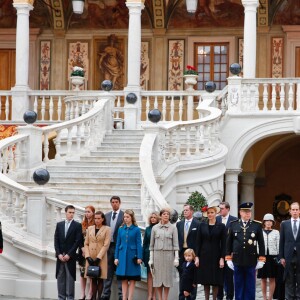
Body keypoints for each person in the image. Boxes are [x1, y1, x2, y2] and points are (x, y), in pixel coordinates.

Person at [225, 202, 266, 300]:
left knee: (250, 285)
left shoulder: (256, 225)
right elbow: (229, 242)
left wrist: (261, 258)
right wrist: (228, 258)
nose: (248, 213)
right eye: (245, 211)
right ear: (240, 212)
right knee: (238, 284)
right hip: (237, 259)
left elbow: (261, 243)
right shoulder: (233, 224)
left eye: (249, 212)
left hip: (251, 259)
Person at [195, 205, 226, 300]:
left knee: (215, 280)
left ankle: (214, 298)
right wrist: (197, 256)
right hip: (204, 256)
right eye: (208, 213)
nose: (210, 214)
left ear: (216, 214)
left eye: (212, 212)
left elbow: (224, 243)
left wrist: (222, 258)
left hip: (216, 256)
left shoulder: (221, 226)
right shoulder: (202, 225)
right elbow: (198, 242)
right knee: (206, 280)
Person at [149, 208, 179, 300]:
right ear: (161, 216)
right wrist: (151, 259)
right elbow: (151, 245)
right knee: (157, 279)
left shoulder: (173, 228)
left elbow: (176, 244)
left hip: (168, 256)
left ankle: (165, 298)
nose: (166, 215)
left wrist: (176, 258)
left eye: (167, 214)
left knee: (167, 279)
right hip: (157, 256)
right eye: (164, 214)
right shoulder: (155, 228)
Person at [54, 205, 82, 300]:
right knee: (60, 279)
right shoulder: (59, 225)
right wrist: (58, 254)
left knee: (70, 279)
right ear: (65, 212)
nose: (71, 214)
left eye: (73, 212)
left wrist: (69, 254)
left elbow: (77, 242)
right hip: (60, 257)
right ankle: (61, 297)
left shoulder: (77, 225)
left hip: (70, 258)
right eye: (70, 212)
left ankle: (70, 298)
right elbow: (56, 240)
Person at [114, 209, 143, 300]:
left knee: (132, 279)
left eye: (127, 217)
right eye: (124, 217)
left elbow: (139, 244)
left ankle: (130, 298)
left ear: (131, 218)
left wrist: (139, 257)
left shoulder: (136, 229)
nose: (125, 218)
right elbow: (118, 244)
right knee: (124, 279)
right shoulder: (121, 229)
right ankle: (124, 298)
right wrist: (116, 257)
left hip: (132, 257)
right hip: (122, 257)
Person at [101, 196, 124, 300]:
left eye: (116, 202)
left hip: (119, 247)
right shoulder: (106, 216)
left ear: (119, 203)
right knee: (108, 272)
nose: (115, 204)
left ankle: (121, 296)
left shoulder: (124, 215)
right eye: (113, 202)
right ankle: (106, 295)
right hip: (108, 247)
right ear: (110, 203)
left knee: (119, 272)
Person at [85, 211, 111, 300]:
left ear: (103, 219)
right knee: (92, 278)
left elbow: (106, 245)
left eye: (99, 218)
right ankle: (93, 297)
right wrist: (87, 256)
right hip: (90, 257)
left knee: (100, 279)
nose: (97, 220)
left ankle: (99, 297)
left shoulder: (107, 229)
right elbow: (86, 243)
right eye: (95, 218)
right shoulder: (90, 228)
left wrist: (98, 257)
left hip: (101, 258)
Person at [176, 204, 200, 300]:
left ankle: (192, 297)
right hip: (182, 255)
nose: (184, 212)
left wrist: (197, 256)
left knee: (192, 278)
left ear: (191, 211)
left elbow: (199, 241)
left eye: (186, 210)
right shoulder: (179, 224)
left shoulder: (197, 224)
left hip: (192, 254)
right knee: (182, 277)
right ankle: (181, 297)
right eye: (184, 210)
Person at [216, 202, 238, 300]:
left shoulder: (234, 220)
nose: (220, 210)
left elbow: (236, 238)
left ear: (228, 209)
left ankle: (229, 296)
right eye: (219, 208)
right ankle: (219, 296)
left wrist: (233, 251)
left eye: (222, 208)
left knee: (229, 277)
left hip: (230, 253)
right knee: (219, 276)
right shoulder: (216, 219)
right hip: (217, 252)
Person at [279, 201, 300, 300]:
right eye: (293, 210)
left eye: (297, 209)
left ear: (299, 211)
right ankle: (289, 298)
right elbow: (281, 241)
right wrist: (281, 257)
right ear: (290, 211)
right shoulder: (284, 224)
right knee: (289, 279)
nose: (295, 211)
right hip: (288, 255)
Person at [257, 213, 280, 300]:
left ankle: (270, 297)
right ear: (264, 222)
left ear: (273, 222)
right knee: (263, 278)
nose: (268, 222)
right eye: (267, 221)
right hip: (262, 257)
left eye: (270, 221)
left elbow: (278, 245)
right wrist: (258, 256)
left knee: (272, 278)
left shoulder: (276, 232)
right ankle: (264, 298)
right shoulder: (260, 231)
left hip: (273, 257)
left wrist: (278, 256)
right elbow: (257, 245)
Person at [79, 205, 95, 300]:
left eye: (89, 211)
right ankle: (82, 293)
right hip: (82, 252)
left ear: (93, 212)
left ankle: (90, 293)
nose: (87, 213)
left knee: (91, 273)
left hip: (92, 251)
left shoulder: (95, 224)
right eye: (85, 212)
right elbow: (79, 238)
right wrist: (82, 248)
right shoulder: (82, 224)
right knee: (82, 273)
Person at [143, 211, 160, 300]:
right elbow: (145, 243)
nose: (153, 219)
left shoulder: (160, 228)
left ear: (158, 218)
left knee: (156, 275)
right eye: (151, 217)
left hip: (158, 254)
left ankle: (154, 295)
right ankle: (149, 295)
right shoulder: (148, 229)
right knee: (149, 275)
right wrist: (142, 255)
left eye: (155, 217)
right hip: (148, 254)